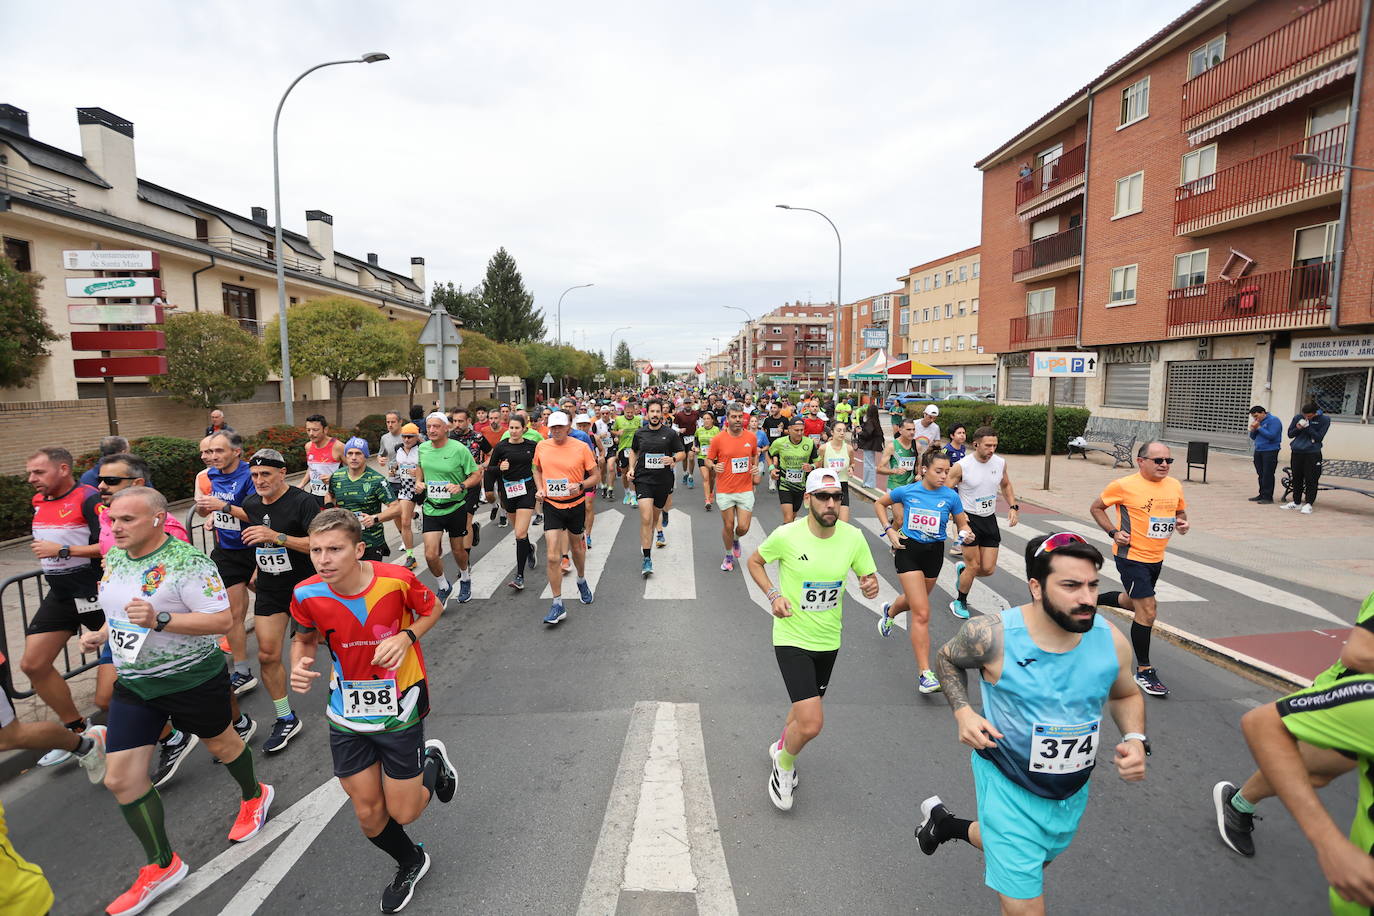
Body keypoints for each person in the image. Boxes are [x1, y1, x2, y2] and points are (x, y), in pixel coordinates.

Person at [916, 532, 1148, 915]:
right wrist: (963, 711)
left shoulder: (1110, 640)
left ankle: (946, 825)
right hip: (1007, 785)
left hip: (1069, 794)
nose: (1088, 598)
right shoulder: (992, 635)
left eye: (1093, 585)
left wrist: (1136, 738)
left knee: (1034, 862)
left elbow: (1125, 694)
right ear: (1037, 587)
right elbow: (947, 659)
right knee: (1026, 907)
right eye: (1071, 585)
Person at [97, 487, 272, 916]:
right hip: (136, 683)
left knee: (223, 745)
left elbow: (221, 620)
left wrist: (161, 619)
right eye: (112, 519)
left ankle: (254, 793)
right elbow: (119, 610)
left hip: (190, 678)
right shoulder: (116, 557)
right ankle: (161, 864)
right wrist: (101, 636)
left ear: (157, 519)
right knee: (120, 779)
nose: (115, 527)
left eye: (127, 520)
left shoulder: (189, 562)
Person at [290, 509, 457, 914]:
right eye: (316, 550)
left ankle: (433, 760)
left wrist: (407, 636)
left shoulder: (396, 581)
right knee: (368, 813)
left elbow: (433, 607)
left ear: (359, 548)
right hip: (346, 710)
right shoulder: (306, 593)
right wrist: (299, 662)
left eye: (334, 549)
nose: (323, 559)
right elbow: (305, 639)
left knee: (404, 810)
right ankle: (410, 861)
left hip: (401, 704)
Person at [746, 468, 879, 811]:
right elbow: (756, 561)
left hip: (828, 640)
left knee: (802, 708)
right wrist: (774, 595)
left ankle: (780, 746)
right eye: (823, 497)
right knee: (812, 722)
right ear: (808, 500)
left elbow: (868, 576)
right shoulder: (787, 535)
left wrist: (870, 585)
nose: (831, 503)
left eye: (836, 497)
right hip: (791, 636)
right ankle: (784, 766)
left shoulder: (852, 538)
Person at [1213, 588, 1374, 859]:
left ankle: (1240, 803)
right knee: (1309, 770)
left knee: (1316, 773)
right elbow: (1358, 653)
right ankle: (1238, 804)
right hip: (1351, 700)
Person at [1089, 441, 1190, 697]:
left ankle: (1091, 601)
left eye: (1168, 460)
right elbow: (1096, 507)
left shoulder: (1174, 485)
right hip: (1131, 556)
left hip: (1157, 557)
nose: (1165, 465)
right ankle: (1144, 670)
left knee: (1134, 603)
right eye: (1158, 461)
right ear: (1141, 461)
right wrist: (1113, 532)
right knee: (1148, 610)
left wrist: (1182, 524)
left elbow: (1180, 513)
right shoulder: (1123, 485)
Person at [23, 446, 103, 767]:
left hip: (94, 591)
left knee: (128, 669)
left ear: (63, 469)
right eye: (30, 473)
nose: (31, 479)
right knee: (33, 664)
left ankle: (173, 725)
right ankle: (79, 732)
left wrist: (64, 549)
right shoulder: (39, 501)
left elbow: (110, 544)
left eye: (38, 472)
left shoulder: (88, 497)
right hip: (60, 593)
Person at [241, 448, 321, 754]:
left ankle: (355, 690)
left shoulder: (303, 502)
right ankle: (285, 716)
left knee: (333, 643)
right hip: (271, 589)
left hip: (306, 588)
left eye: (265, 474)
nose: (259, 481)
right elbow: (256, 540)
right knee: (266, 654)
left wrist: (278, 537)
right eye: (255, 476)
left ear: (282, 473)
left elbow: (318, 543)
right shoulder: (250, 503)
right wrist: (254, 567)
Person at [875, 449, 973, 694]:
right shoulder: (908, 491)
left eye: (946, 471)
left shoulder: (950, 496)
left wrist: (966, 533)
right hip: (908, 551)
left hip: (934, 554)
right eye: (938, 471)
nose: (943, 476)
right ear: (924, 470)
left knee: (914, 601)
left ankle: (890, 610)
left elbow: (962, 524)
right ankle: (925, 674)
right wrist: (889, 530)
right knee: (922, 612)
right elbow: (880, 503)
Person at [195, 432, 261, 710]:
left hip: (257, 547)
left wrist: (223, 507)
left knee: (277, 596)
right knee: (234, 613)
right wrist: (207, 511)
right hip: (227, 551)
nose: (212, 457)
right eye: (208, 452)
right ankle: (243, 671)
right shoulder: (209, 476)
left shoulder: (251, 475)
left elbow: (259, 514)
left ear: (237, 451)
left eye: (218, 451)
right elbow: (202, 512)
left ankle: (308, 613)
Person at [945, 428, 1020, 620]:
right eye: (988, 445)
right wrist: (958, 516)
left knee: (987, 569)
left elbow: (1006, 484)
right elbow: (946, 491)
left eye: (995, 445)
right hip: (969, 519)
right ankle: (960, 600)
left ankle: (963, 574)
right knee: (973, 565)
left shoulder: (1000, 462)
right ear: (976, 444)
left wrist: (1013, 506)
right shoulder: (962, 466)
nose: (992, 449)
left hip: (989, 518)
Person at [532, 412, 598, 623]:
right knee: (553, 556)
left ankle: (581, 579)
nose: (557, 430)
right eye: (553, 427)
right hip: (552, 505)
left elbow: (595, 475)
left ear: (569, 426)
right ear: (549, 428)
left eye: (561, 426)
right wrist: (541, 488)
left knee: (577, 549)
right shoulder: (542, 446)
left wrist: (580, 485)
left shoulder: (581, 447)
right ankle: (557, 603)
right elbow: (537, 469)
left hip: (576, 505)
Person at [413, 413, 482, 606]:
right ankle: (443, 586)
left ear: (446, 428)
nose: (432, 430)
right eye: (429, 426)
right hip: (432, 507)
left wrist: (461, 486)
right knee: (430, 554)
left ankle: (465, 577)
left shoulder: (459, 449)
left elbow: (476, 475)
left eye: (436, 426)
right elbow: (421, 467)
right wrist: (419, 481)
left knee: (458, 550)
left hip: (456, 507)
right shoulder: (424, 448)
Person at [628, 398, 687, 573]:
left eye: (657, 411)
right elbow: (634, 451)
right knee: (646, 518)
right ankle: (647, 558)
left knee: (653, 520)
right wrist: (631, 468)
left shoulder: (670, 434)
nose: (655, 415)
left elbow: (682, 452)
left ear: (662, 414)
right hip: (643, 479)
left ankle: (648, 541)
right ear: (647, 413)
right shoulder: (640, 433)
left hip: (663, 481)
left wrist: (674, 458)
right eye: (652, 411)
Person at [708, 403, 763, 572]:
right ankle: (728, 555)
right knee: (728, 525)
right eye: (734, 417)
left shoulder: (751, 437)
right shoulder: (718, 439)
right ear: (727, 419)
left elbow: (754, 454)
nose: (738, 420)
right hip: (725, 489)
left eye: (740, 417)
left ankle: (736, 538)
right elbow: (708, 459)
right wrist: (713, 466)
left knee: (743, 527)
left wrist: (755, 469)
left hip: (745, 488)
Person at [326, 437, 400, 562]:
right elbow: (330, 495)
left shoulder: (377, 480)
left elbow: (396, 508)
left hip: (371, 541)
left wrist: (374, 518)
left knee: (369, 579)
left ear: (365, 456)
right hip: (345, 540)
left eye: (358, 453)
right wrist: (329, 510)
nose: (353, 457)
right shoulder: (337, 476)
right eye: (350, 453)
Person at [491, 415, 540, 590]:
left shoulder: (532, 446)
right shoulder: (501, 447)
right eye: (511, 428)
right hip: (508, 492)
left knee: (520, 533)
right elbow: (490, 469)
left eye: (517, 428)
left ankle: (519, 576)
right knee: (519, 533)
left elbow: (540, 466)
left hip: (527, 490)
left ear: (523, 429)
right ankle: (529, 549)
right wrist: (499, 468)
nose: (513, 431)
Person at [449, 409, 492, 552]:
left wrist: (482, 466)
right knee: (456, 521)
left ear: (468, 421)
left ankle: (465, 561)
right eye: (454, 421)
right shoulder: (447, 438)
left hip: (472, 483)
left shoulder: (477, 437)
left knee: (466, 519)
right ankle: (473, 528)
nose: (457, 424)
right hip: (452, 485)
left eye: (460, 421)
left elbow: (492, 455)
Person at [768, 417, 819, 524]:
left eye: (802, 430)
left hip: (801, 485)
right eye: (796, 430)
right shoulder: (780, 442)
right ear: (789, 429)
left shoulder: (809, 443)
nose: (800, 433)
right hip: (784, 484)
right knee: (788, 518)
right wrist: (771, 468)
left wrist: (811, 466)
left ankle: (785, 533)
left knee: (793, 516)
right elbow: (768, 454)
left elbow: (818, 462)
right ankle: (783, 539)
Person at [388, 423, 424, 569]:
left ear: (417, 437)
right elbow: (397, 463)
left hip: (423, 489)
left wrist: (421, 474)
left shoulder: (423, 449)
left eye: (410, 436)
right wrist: (393, 470)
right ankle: (410, 556)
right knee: (405, 522)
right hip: (406, 489)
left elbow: (430, 466)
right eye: (404, 436)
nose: (407, 439)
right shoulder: (398, 448)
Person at [1285, 400, 1329, 514]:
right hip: (1297, 451)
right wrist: (1298, 428)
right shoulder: (1298, 417)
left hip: (1312, 453)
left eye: (1309, 416)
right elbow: (1290, 434)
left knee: (1311, 479)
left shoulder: (1324, 420)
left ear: (1315, 413)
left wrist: (1308, 427)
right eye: (1304, 415)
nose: (1306, 417)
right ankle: (1296, 502)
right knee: (1297, 477)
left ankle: (1309, 503)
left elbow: (1319, 437)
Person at [303, 415, 346, 504]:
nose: (311, 433)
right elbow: (311, 468)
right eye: (308, 430)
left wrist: (334, 478)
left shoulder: (338, 446)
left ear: (325, 430)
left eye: (315, 430)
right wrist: (302, 484)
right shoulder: (308, 446)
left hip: (334, 497)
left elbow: (355, 470)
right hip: (315, 495)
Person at [818, 420, 855, 522]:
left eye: (844, 430)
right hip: (827, 487)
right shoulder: (823, 448)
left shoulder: (849, 449)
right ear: (832, 432)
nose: (842, 433)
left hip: (842, 486)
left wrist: (851, 468)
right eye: (839, 430)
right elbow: (818, 468)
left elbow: (852, 463)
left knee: (843, 522)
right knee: (827, 522)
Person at [1246, 405, 1283, 505]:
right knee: (1261, 473)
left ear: (1263, 412)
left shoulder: (1274, 420)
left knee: (1268, 474)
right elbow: (1253, 437)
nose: (1255, 418)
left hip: (1270, 450)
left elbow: (1271, 436)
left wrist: (1259, 428)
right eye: (1253, 417)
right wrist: (1253, 429)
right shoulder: (1259, 422)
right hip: (1259, 449)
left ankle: (1268, 497)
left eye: (1256, 415)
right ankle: (1262, 494)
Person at [613, 401, 643, 505]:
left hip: (634, 449)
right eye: (627, 413)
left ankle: (633, 495)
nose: (630, 414)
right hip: (623, 449)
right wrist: (617, 434)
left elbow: (642, 432)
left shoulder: (639, 420)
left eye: (631, 412)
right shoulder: (618, 420)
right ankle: (627, 493)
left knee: (633, 472)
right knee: (624, 473)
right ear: (624, 412)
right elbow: (612, 431)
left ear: (635, 411)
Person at [877, 418, 919, 493]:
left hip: (910, 487)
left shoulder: (917, 446)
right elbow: (879, 469)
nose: (912, 432)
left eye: (913, 429)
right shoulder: (892, 446)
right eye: (908, 430)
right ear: (900, 430)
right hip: (895, 487)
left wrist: (919, 474)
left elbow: (918, 466)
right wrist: (895, 471)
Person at [695, 410, 722, 509]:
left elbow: (721, 444)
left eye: (708, 419)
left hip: (713, 458)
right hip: (702, 457)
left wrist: (714, 443)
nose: (706, 421)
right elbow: (696, 442)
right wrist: (695, 448)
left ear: (712, 420)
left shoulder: (716, 430)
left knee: (712, 478)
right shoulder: (699, 430)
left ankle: (711, 492)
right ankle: (707, 500)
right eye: (704, 419)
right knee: (706, 478)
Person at [855, 402, 885, 489]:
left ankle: (869, 483)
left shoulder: (870, 422)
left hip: (869, 445)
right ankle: (868, 483)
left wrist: (860, 432)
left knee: (868, 464)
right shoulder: (875, 421)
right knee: (869, 464)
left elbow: (867, 434)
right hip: (873, 445)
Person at [673, 397, 701, 489]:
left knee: (691, 457)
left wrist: (699, 431)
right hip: (682, 438)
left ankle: (690, 477)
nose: (688, 405)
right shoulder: (679, 415)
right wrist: (679, 430)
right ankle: (685, 473)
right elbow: (673, 426)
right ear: (683, 404)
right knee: (684, 458)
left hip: (692, 438)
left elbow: (700, 423)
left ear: (692, 404)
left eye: (689, 403)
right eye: (686, 403)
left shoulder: (696, 413)